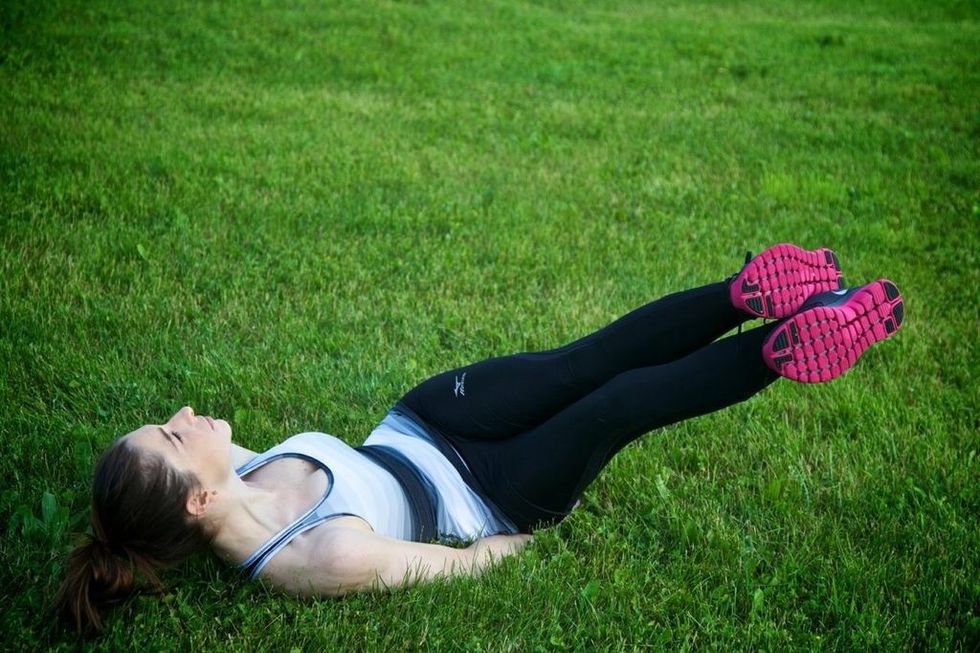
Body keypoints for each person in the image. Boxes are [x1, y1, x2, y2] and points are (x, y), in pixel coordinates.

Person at [56, 243, 905, 631]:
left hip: (424, 421)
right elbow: (460, 562)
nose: (189, 416)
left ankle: (748, 291)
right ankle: (782, 347)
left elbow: (167, 494)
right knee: (611, 407)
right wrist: (524, 541)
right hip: (489, 490)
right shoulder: (312, 559)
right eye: (174, 435)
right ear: (196, 497)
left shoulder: (229, 478)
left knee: (583, 363)